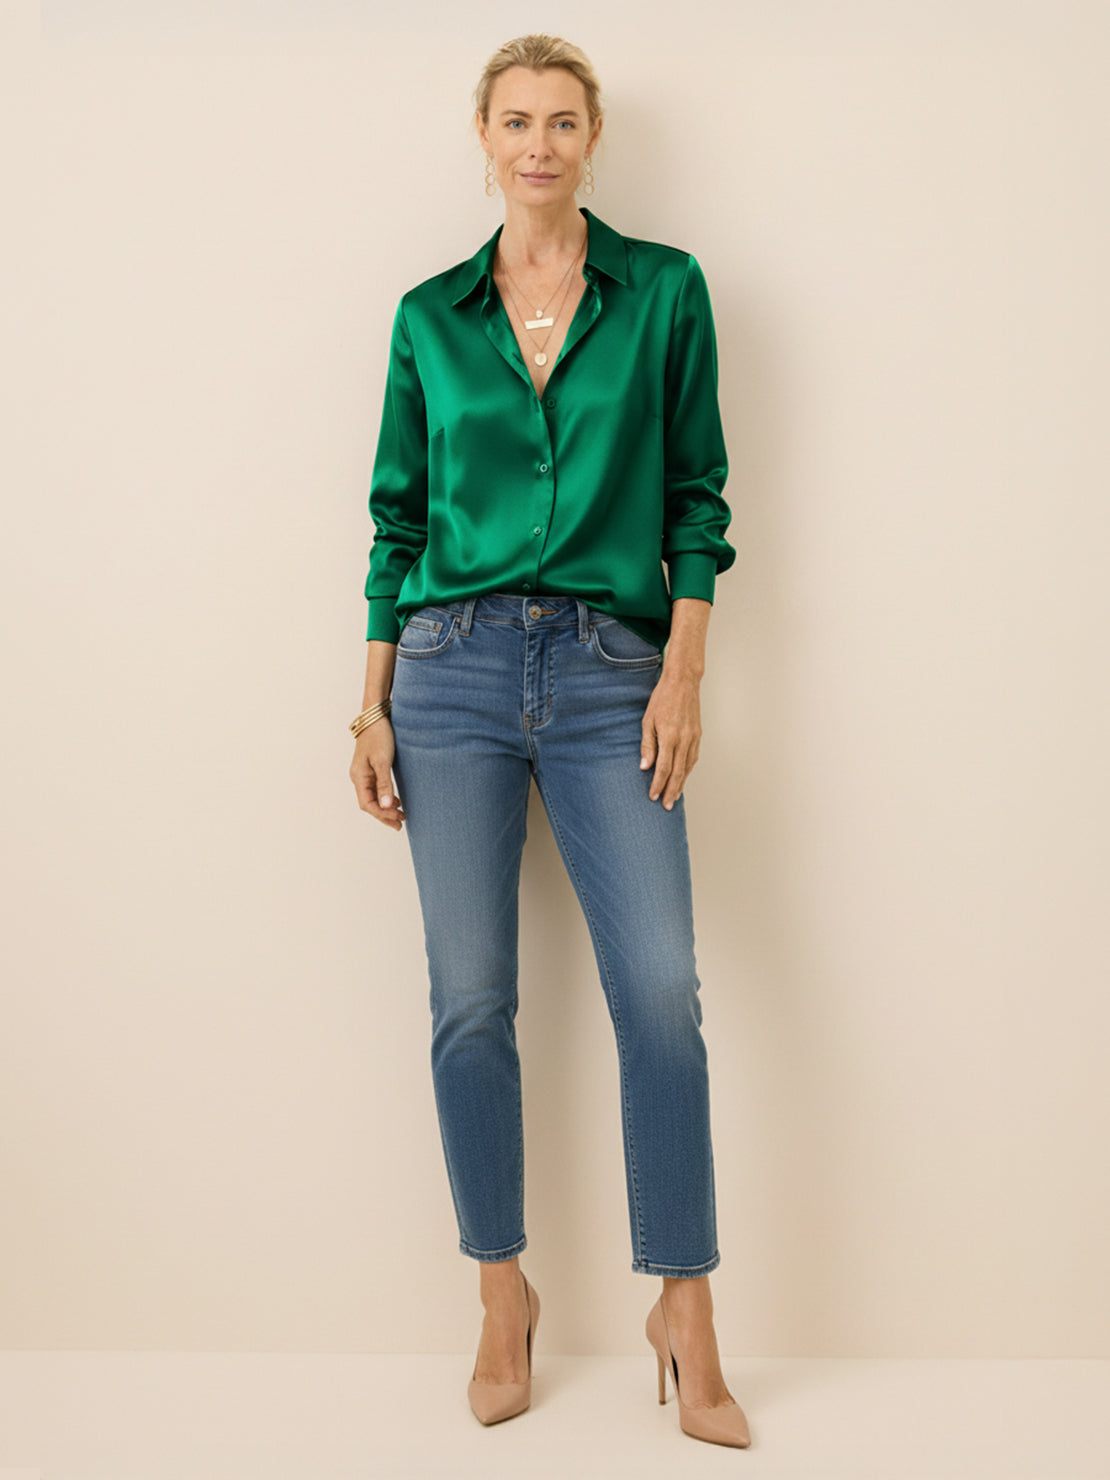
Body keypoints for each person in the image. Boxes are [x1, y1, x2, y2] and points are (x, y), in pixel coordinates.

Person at [349, 34, 751, 1449]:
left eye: (562, 122)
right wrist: (370, 702)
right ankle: (501, 1293)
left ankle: (685, 1306)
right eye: (515, 121)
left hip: (608, 675)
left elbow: (696, 498)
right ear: (483, 136)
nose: (538, 144)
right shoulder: (428, 317)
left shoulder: (663, 293)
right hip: (446, 676)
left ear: (591, 140)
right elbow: (396, 523)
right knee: (470, 1000)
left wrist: (681, 674)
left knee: (661, 993)